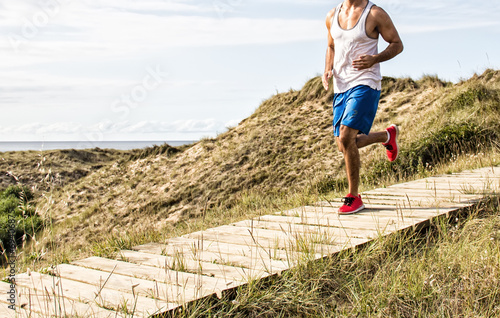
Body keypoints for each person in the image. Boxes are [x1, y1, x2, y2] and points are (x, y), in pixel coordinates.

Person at [322, 0, 403, 214]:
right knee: (343, 145)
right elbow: (331, 45)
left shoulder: (375, 14)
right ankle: (386, 136)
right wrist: (327, 70)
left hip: (365, 82)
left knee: (347, 136)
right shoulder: (332, 15)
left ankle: (354, 197)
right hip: (341, 86)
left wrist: (375, 59)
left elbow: (397, 44)